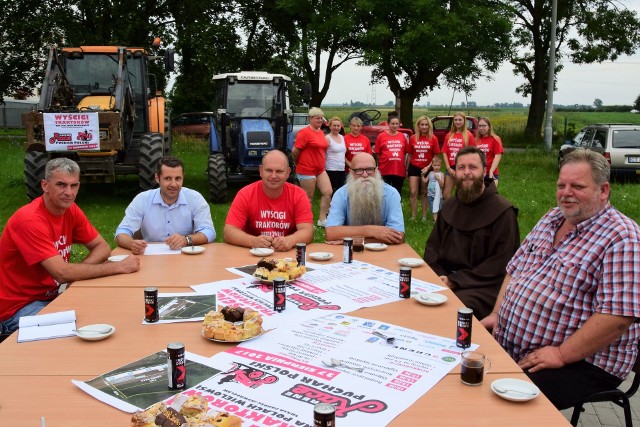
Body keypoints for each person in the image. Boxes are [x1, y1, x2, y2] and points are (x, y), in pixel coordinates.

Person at [481, 148, 640, 410]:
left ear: (604, 191)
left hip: (582, 362)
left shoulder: (622, 238)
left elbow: (618, 317)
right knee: (459, 369)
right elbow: (515, 269)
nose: (566, 193)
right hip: (518, 346)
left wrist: (562, 354)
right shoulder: (551, 218)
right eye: (561, 185)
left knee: (499, 403)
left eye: (577, 186)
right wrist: (497, 314)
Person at [0, 158, 140, 335]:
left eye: (74, 186)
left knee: (107, 310)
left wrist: (78, 272)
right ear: (45, 185)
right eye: (61, 185)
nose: (69, 192)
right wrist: (118, 267)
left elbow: (102, 247)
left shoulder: (69, 209)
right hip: (17, 308)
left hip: (49, 296)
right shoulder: (29, 220)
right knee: (81, 329)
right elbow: (62, 273)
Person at [424, 146, 519, 319]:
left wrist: (456, 281)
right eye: (461, 168)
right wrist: (439, 277)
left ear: (484, 171)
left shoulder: (502, 212)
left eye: (472, 167)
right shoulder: (450, 206)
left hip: (483, 286)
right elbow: (432, 248)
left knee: (452, 309)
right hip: (444, 279)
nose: (466, 172)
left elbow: (501, 264)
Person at [115, 156, 215, 255]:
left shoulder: (195, 198)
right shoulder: (142, 199)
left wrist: (186, 239)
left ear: (183, 177)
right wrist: (132, 244)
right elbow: (122, 232)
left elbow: (209, 231)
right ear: (157, 178)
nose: (174, 184)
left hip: (186, 257)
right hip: (151, 260)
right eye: (168, 179)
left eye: (178, 178)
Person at [224, 150, 313, 251]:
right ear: (261, 171)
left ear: (288, 173)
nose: (273, 176)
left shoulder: (298, 195)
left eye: (279, 171)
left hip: (287, 255)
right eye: (269, 170)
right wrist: (253, 241)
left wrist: (291, 240)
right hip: (253, 254)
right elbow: (229, 231)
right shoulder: (245, 194)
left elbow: (307, 231)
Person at [325, 153, 404, 244]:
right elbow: (331, 233)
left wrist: (354, 240)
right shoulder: (340, 194)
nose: (365, 175)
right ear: (351, 172)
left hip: (384, 252)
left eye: (370, 169)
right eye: (359, 170)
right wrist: (372, 230)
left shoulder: (391, 194)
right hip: (350, 253)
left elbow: (398, 236)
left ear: (377, 170)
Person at [292, 107, 332, 227]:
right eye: (316, 118)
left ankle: (322, 219)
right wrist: (298, 163)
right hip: (306, 169)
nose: (319, 120)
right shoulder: (304, 133)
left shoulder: (320, 132)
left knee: (328, 192)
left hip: (320, 169)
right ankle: (305, 222)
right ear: (310, 119)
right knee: (308, 197)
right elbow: (295, 151)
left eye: (321, 118)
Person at [407, 115, 441, 220]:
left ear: (429, 126)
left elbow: (435, 155)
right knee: (413, 192)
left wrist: (428, 167)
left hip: (427, 168)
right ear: (418, 125)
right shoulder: (413, 138)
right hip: (414, 167)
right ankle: (413, 216)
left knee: (424, 192)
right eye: (422, 124)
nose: (424, 127)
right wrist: (407, 169)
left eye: (426, 125)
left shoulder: (433, 138)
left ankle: (424, 216)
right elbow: (410, 154)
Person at [441, 112, 476, 199]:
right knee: (446, 194)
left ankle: (462, 211)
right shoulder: (449, 135)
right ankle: (451, 211)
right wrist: (448, 168)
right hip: (450, 168)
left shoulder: (469, 135)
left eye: (460, 120)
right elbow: (444, 152)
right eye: (455, 120)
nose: (457, 122)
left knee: (462, 193)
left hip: (463, 168)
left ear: (464, 121)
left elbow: (472, 153)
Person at [373, 115, 409, 197]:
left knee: (397, 193)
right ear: (388, 124)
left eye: (397, 124)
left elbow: (405, 152)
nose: (395, 126)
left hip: (399, 170)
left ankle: (396, 208)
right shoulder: (381, 136)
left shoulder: (402, 136)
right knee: (384, 193)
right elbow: (377, 153)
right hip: (385, 170)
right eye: (393, 124)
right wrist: (383, 162)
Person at [475, 117, 504, 186]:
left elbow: (498, 155)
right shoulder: (476, 140)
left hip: (491, 173)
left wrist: (491, 171)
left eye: (484, 126)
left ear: (489, 127)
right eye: (479, 126)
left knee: (489, 195)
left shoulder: (495, 139)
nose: (481, 128)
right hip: (478, 173)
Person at [324, 116, 347, 196]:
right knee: (333, 190)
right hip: (331, 169)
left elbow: (343, 154)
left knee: (341, 190)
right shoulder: (327, 138)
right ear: (330, 126)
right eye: (334, 125)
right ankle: (332, 206)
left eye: (338, 126)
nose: (336, 128)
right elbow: (323, 154)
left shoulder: (342, 137)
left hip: (341, 168)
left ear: (341, 127)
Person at [424, 155, 444, 222]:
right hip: (430, 195)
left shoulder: (441, 174)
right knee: (433, 208)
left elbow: (442, 185)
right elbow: (425, 181)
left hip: (438, 195)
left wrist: (438, 179)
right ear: (432, 165)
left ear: (441, 166)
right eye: (435, 165)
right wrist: (422, 175)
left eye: (438, 165)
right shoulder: (430, 173)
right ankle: (436, 221)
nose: (436, 167)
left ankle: (439, 220)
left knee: (439, 208)